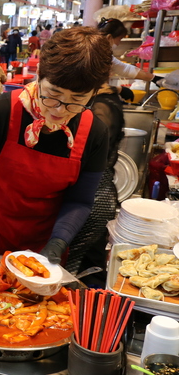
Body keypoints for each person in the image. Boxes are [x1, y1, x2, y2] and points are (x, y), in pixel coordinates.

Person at [0, 27, 112, 260]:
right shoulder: (2, 110)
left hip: (42, 252)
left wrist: (59, 241)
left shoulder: (94, 133)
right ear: (39, 74)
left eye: (77, 100)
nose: (60, 111)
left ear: (94, 93)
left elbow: (79, 200)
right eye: (53, 94)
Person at [65, 85, 125, 276]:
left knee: (81, 268)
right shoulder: (105, 100)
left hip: (93, 200)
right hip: (97, 195)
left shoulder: (99, 108)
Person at [98, 18, 161, 84]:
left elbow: (125, 69)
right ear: (109, 37)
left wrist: (155, 79)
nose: (118, 44)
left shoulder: (104, 55)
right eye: (119, 39)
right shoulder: (95, 54)